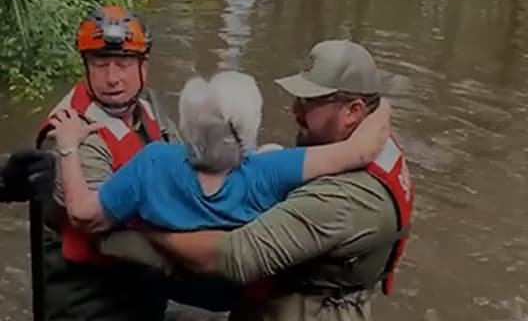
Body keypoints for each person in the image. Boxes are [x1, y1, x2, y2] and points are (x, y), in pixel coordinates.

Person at [141, 40, 414, 321]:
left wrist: (148, 229)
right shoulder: (376, 139)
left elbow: (233, 256)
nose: (295, 110)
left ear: (354, 111)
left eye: (310, 102)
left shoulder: (343, 201)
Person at [48, 70, 392, 236]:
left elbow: (80, 213)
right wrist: (380, 104)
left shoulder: (153, 164)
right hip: (223, 291)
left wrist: (67, 143)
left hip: (166, 275)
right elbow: (360, 151)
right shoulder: (270, 169)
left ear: (187, 123)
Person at [34, 5, 176, 321]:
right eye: (100, 63)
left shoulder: (149, 114)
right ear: (86, 66)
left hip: (142, 305)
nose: (113, 77)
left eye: (124, 63)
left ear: (144, 66)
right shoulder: (70, 134)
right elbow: (95, 219)